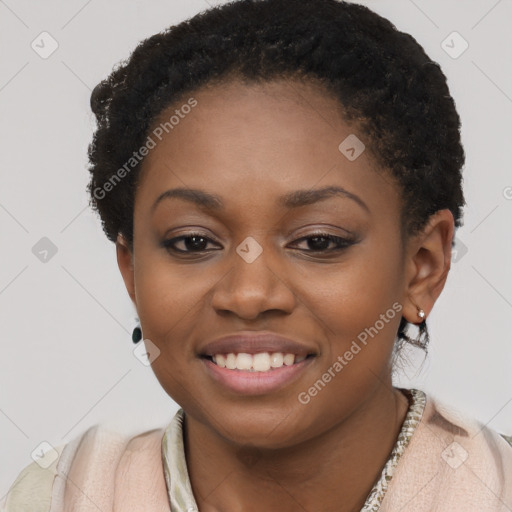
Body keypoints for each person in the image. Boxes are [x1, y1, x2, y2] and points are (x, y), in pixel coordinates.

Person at [2, 0, 511, 510]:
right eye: (193, 242)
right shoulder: (63, 495)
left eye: (318, 241)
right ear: (132, 270)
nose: (248, 295)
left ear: (422, 267)